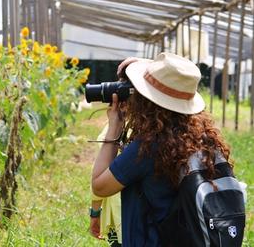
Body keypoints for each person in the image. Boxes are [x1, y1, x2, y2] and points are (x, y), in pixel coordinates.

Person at [91, 52, 232, 246]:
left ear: (145, 100)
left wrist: (115, 126)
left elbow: (99, 186)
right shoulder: (208, 140)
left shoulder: (147, 148)